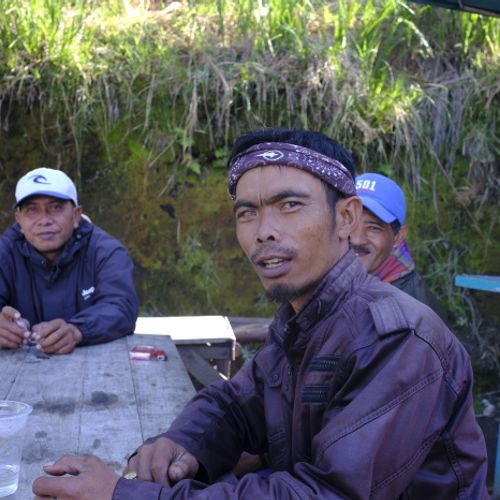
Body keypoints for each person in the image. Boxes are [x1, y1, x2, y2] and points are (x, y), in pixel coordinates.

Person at [32, 129, 488, 499]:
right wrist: (183, 442)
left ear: (346, 218)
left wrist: (125, 496)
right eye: (246, 213)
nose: (263, 233)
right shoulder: (301, 319)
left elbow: (328, 495)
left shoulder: (400, 338)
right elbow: (234, 404)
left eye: (290, 205)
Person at [0, 167, 139, 354]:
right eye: (32, 210)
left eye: (56, 207)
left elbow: (121, 307)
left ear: (76, 215)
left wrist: (77, 330)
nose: (44, 220)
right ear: (19, 221)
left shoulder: (107, 251)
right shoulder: (4, 252)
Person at [351, 172, 448, 321]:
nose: (356, 240)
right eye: (350, 222)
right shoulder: (328, 281)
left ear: (398, 236)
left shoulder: (413, 314)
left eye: (373, 228)